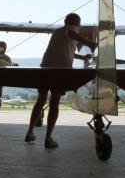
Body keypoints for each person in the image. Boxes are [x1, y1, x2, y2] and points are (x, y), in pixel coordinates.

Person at [24, 13, 96, 149]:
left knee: (40, 100)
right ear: (77, 24)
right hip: (59, 70)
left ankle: (30, 132)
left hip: (45, 68)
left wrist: (82, 58)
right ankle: (48, 138)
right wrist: (89, 43)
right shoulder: (70, 30)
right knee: (54, 102)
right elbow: (71, 33)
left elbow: (67, 49)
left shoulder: (58, 32)